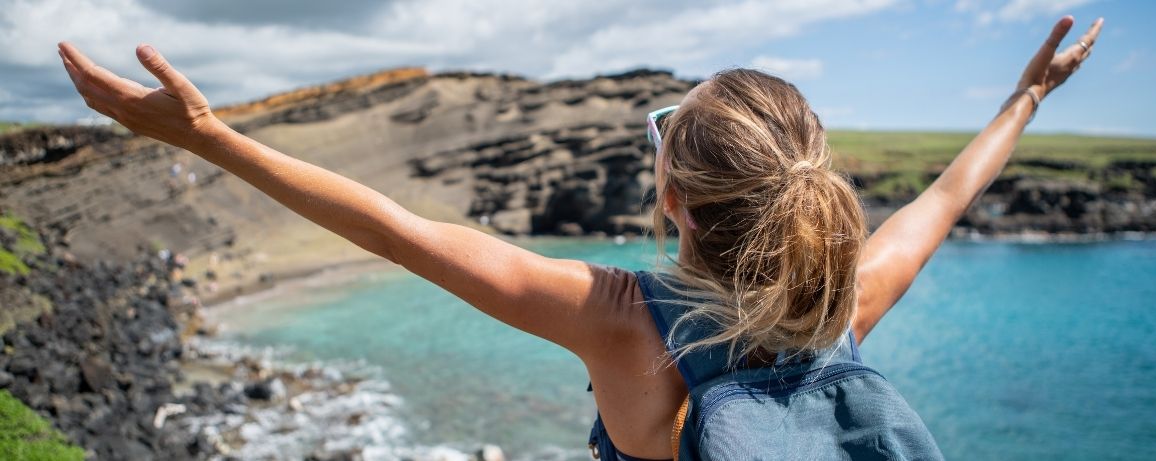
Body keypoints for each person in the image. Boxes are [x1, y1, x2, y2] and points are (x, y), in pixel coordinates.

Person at [57, 15, 1102, 460]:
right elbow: (940, 204)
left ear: (675, 200)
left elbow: (394, 228)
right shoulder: (840, 305)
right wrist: (1023, 99)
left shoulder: (617, 321)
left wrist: (204, 135)